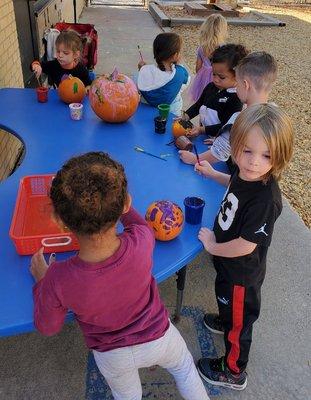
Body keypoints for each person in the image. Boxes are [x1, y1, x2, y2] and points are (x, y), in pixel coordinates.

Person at [30, 152, 210, 400]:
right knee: (185, 369)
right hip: (159, 337)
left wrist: (42, 282)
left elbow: (48, 327)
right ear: (126, 203)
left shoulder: (57, 279)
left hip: (112, 357)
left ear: (59, 222)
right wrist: (115, 202)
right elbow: (139, 224)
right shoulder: (141, 240)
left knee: (128, 396)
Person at [193, 104, 294, 390]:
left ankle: (233, 371)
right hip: (230, 268)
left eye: (267, 156)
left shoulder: (266, 200)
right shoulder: (246, 173)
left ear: (280, 157)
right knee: (230, 309)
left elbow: (245, 246)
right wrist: (214, 175)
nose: (253, 162)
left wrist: (213, 246)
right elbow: (235, 184)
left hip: (241, 274)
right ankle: (227, 318)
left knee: (240, 325)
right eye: (247, 151)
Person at [179, 52, 277, 170]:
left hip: (237, 179)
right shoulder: (277, 117)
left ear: (245, 85)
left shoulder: (239, 119)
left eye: (238, 84)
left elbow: (218, 153)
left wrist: (194, 159)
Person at [180, 44, 248, 139]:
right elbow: (198, 105)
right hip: (204, 136)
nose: (215, 79)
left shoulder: (236, 98)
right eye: (214, 74)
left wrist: (201, 130)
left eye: (221, 77)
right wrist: (185, 117)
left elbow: (226, 126)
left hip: (219, 143)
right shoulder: (210, 87)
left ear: (238, 76)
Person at [137, 32, 190, 116]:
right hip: (171, 116)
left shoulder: (146, 72)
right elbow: (185, 82)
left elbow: (139, 87)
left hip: (146, 116)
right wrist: (179, 65)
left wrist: (142, 70)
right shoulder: (180, 74)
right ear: (175, 55)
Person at [188, 14, 228, 103]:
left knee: (203, 99)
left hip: (203, 76)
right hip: (218, 77)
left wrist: (203, 75)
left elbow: (198, 68)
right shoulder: (224, 48)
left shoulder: (201, 48)